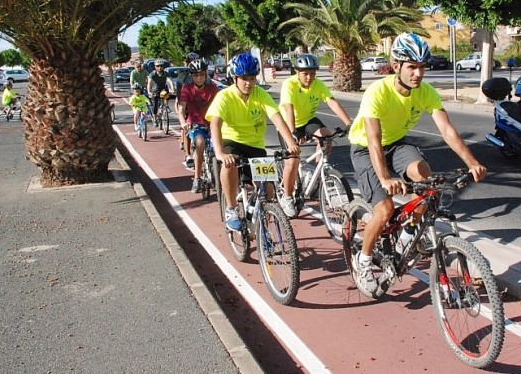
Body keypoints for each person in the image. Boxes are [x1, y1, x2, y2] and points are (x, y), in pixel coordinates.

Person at [347, 32, 487, 298]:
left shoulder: (426, 93)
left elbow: (447, 130)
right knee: (385, 208)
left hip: (398, 144)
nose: (418, 74)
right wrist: (386, 178)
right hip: (366, 149)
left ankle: (407, 235)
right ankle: (363, 261)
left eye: (422, 67)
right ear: (396, 65)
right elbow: (374, 140)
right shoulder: (378, 91)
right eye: (412, 67)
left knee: (426, 182)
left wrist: (472, 163)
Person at [205, 52, 300, 231]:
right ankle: (231, 208)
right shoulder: (224, 96)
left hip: (255, 145)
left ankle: (263, 229)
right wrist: (220, 153)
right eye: (244, 78)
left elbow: (277, 118)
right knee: (229, 164)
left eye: (252, 78)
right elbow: (215, 124)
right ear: (235, 78)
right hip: (231, 140)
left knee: (269, 193)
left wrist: (291, 143)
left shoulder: (260, 94)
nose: (249, 83)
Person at [277, 53, 353, 217]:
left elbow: (332, 102)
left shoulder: (317, 84)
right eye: (305, 74)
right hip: (288, 124)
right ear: (297, 72)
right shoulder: (288, 84)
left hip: (307, 120)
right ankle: (287, 197)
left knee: (326, 136)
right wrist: (293, 133)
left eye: (312, 73)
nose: (309, 77)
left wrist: (349, 123)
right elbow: (288, 108)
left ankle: (318, 174)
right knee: (292, 160)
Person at [179, 58, 219, 193]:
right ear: (191, 76)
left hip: (212, 123)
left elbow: (221, 105)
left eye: (202, 74)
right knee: (200, 143)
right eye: (196, 75)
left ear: (206, 74)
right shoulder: (187, 88)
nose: (199, 78)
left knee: (221, 145)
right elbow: (181, 109)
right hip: (196, 124)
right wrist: (183, 122)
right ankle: (197, 178)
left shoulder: (212, 87)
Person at [178, 52, 200, 158]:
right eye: (190, 62)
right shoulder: (183, 75)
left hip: (200, 103)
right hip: (186, 102)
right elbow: (179, 91)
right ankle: (188, 155)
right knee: (186, 127)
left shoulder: (204, 74)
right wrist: (180, 104)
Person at [146, 59, 175, 127]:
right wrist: (149, 91)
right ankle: (155, 119)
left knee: (167, 94)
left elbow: (170, 81)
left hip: (163, 89)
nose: (160, 67)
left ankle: (165, 106)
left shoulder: (165, 73)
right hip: (156, 90)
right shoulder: (152, 74)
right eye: (158, 66)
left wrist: (172, 89)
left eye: (161, 66)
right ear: (155, 67)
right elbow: (149, 83)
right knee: (155, 105)